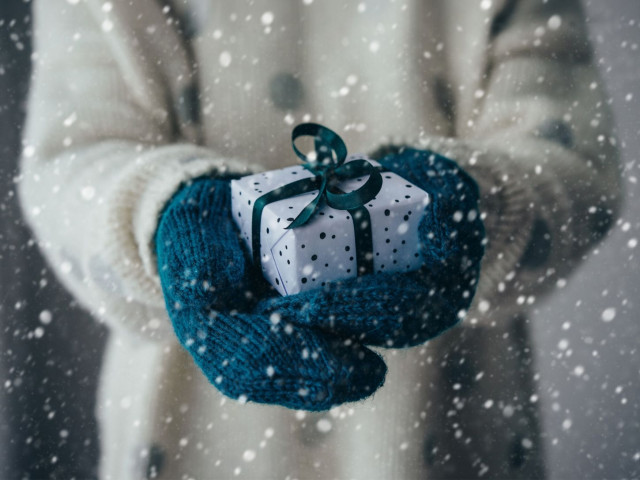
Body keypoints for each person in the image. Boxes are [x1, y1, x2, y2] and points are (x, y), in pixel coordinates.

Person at [19, 0, 621, 478]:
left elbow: (573, 161)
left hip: (447, 429)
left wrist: (477, 204)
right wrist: (160, 217)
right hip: (185, 437)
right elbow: (71, 160)